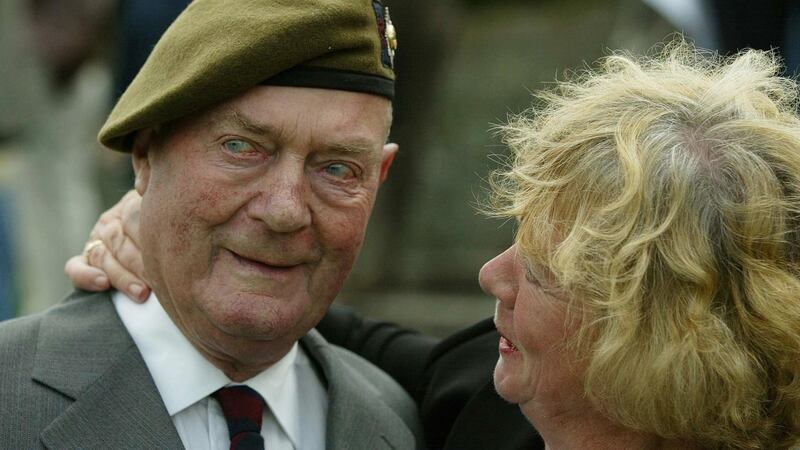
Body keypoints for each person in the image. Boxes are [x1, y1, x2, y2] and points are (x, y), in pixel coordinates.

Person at [71, 40, 800, 449]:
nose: (493, 277)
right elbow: (348, 335)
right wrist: (155, 229)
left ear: (656, 336)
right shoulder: (489, 402)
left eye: (543, 272)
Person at [0, 1, 425, 449]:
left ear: (379, 178)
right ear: (146, 152)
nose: (284, 211)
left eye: (337, 169)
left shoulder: (394, 422)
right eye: (241, 147)